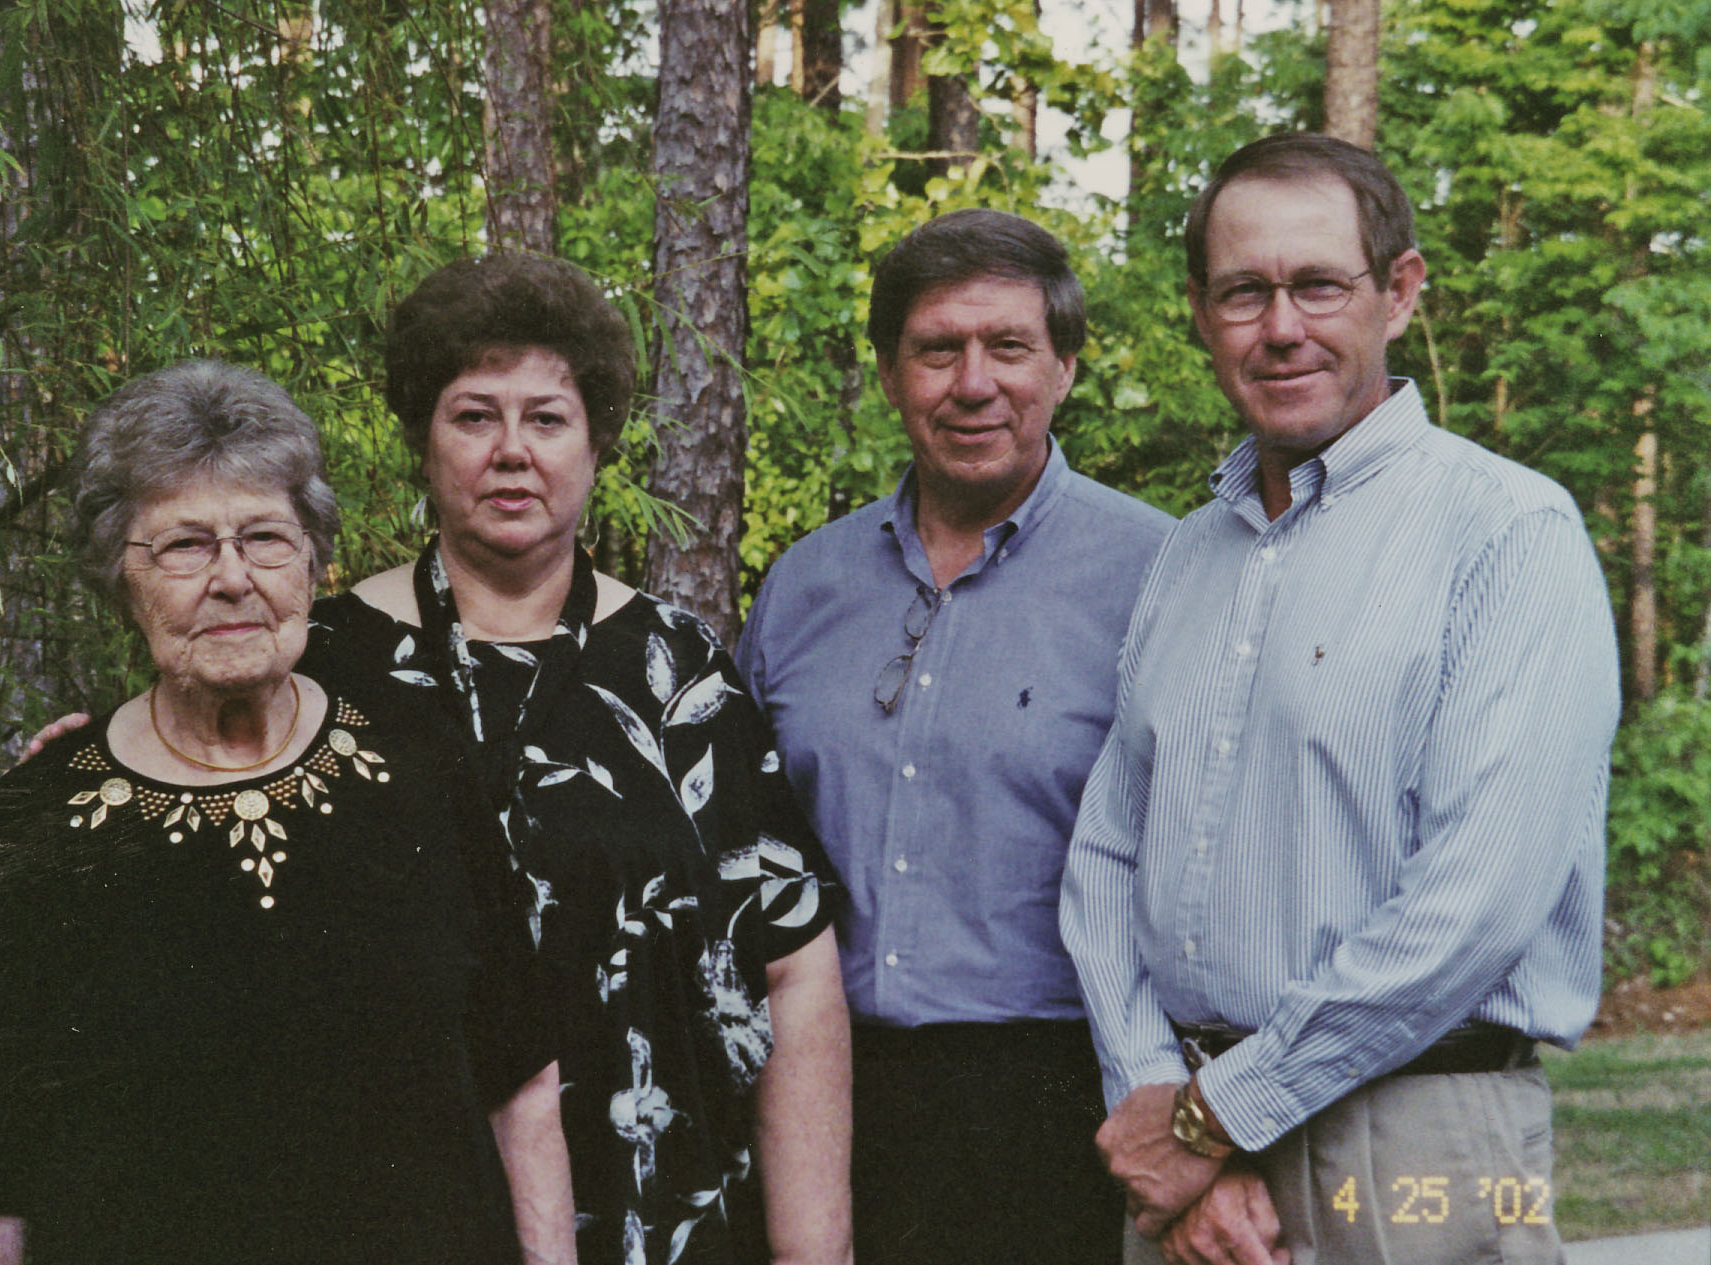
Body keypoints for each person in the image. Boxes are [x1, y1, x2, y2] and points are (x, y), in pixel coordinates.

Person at [1059, 132, 1620, 1265]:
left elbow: (1474, 903)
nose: (1280, 327)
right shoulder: (1187, 555)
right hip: (1194, 1156)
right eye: (1242, 292)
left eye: (1318, 284)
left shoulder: (1507, 532)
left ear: (1397, 292)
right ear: (1199, 312)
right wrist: (1163, 1101)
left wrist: (1212, 1116)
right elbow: (1106, 856)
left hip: (1419, 1141)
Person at [0, 361, 575, 1265]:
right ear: (119, 575)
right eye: (184, 546)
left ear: (311, 559)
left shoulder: (419, 756)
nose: (232, 578)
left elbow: (520, 1080)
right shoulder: (49, 809)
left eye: (264, 537)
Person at [294, 254, 853, 1265]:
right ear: (423, 438)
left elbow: (793, 961)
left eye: (546, 418)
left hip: (654, 1201)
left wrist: (813, 1250)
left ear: (596, 444)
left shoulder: (678, 671)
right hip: (395, 1209)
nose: (511, 450)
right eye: (474, 415)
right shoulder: (323, 665)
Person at [735, 209, 1174, 1265]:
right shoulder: (804, 587)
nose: (973, 383)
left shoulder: (1161, 577)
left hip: (1057, 1100)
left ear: (1064, 368)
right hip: (821, 1093)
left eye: (1008, 346)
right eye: (937, 349)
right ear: (890, 375)